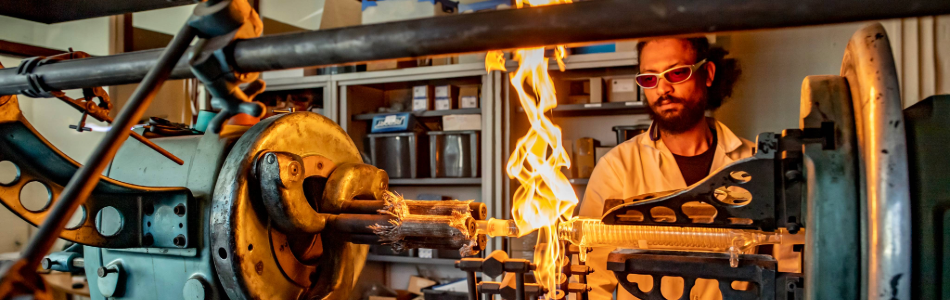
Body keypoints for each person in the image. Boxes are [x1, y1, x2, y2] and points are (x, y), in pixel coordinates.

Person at [578, 37, 754, 299]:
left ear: (707, 73)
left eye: (677, 73)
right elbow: (591, 279)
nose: (663, 89)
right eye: (650, 79)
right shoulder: (617, 168)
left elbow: (789, 263)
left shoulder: (753, 163)